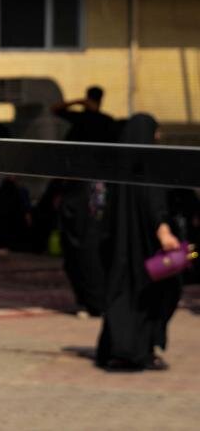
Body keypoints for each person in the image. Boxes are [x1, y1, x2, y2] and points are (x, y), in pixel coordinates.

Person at [95, 114, 182, 371]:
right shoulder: (148, 165)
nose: (158, 137)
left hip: (119, 247)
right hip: (144, 245)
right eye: (155, 132)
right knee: (148, 296)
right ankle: (136, 352)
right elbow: (154, 201)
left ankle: (115, 350)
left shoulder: (116, 166)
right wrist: (164, 231)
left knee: (120, 295)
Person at [49, 86, 116, 316]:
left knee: (88, 247)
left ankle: (94, 301)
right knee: (80, 248)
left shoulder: (102, 122)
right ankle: (89, 300)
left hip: (88, 194)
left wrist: (77, 102)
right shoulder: (89, 120)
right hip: (80, 192)